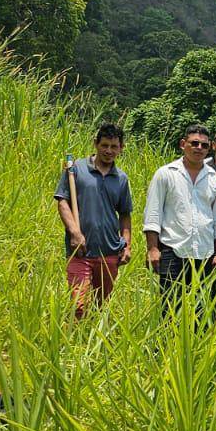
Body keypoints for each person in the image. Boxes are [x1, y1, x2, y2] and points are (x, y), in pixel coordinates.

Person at [140, 125, 216, 318]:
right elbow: (153, 215)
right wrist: (153, 249)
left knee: (201, 314)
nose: (199, 148)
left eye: (204, 145)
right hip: (173, 251)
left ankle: (197, 349)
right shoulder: (166, 174)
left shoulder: (215, 179)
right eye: (194, 143)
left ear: (209, 148)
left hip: (205, 255)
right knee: (169, 311)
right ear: (183, 144)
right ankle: (165, 348)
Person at [55, 123, 134, 320]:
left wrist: (127, 245)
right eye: (105, 145)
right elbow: (63, 202)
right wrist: (75, 232)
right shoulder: (76, 170)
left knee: (101, 307)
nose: (109, 151)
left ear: (121, 148)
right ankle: (72, 344)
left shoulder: (121, 179)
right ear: (96, 144)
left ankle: (94, 345)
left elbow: (124, 215)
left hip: (109, 251)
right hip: (80, 250)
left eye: (114, 146)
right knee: (79, 306)